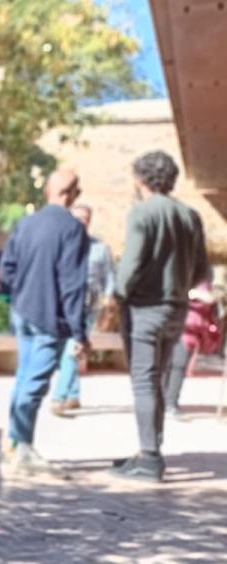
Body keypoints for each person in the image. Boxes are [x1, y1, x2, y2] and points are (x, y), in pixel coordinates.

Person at [113, 151, 209, 482]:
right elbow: (201, 270)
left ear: (142, 179)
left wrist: (120, 294)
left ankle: (150, 458)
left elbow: (130, 266)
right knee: (158, 378)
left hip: (144, 308)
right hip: (176, 309)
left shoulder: (142, 213)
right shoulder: (190, 215)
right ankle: (148, 449)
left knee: (143, 381)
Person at [0, 168, 89, 473]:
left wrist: (21, 295)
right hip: (50, 318)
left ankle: (14, 442)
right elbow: (73, 284)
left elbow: (6, 271)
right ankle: (22, 448)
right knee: (34, 383)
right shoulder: (72, 229)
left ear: (48, 191)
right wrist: (80, 331)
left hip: (23, 312)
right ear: (73, 194)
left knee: (24, 377)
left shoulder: (26, 224)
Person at [50, 204, 116, 415]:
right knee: (64, 350)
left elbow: (110, 276)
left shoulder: (100, 248)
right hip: (62, 305)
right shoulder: (60, 245)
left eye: (86, 218)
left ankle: (58, 398)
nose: (82, 221)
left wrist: (107, 299)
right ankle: (73, 394)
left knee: (73, 349)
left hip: (88, 305)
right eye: (78, 217)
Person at [164, 281, 220, 418]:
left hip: (189, 330)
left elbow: (210, 298)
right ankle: (163, 400)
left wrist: (196, 294)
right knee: (167, 364)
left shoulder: (202, 282)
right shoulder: (175, 274)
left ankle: (170, 402)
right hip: (169, 324)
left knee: (179, 365)